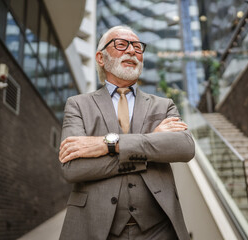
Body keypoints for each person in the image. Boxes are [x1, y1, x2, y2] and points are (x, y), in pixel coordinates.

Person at [58, 25, 195, 240]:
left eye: (138, 47)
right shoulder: (78, 105)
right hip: (94, 229)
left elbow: (185, 147)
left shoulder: (163, 105)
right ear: (101, 58)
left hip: (160, 229)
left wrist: (108, 144)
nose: (132, 50)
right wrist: (149, 147)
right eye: (121, 44)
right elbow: (72, 168)